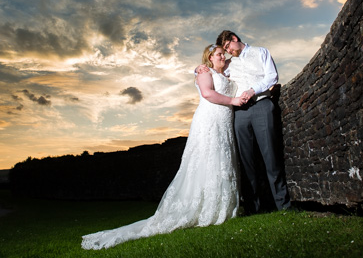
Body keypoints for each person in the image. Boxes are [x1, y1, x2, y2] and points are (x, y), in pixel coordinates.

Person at [81, 45, 246, 250]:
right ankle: (205, 207)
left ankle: (224, 205)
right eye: (219, 54)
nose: (223, 56)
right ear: (209, 58)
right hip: (210, 119)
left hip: (224, 119)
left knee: (223, 158)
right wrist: (233, 100)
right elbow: (207, 93)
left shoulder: (228, 70)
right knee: (207, 158)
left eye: (224, 53)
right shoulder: (206, 72)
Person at [198, 30, 291, 214]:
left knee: (271, 156)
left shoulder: (261, 52)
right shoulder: (229, 64)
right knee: (246, 159)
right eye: (223, 50)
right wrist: (198, 68)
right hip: (240, 113)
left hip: (262, 105)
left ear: (234, 39)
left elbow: (272, 77)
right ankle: (252, 207)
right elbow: (212, 71)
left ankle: (283, 205)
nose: (227, 52)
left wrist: (252, 90)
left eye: (227, 47)